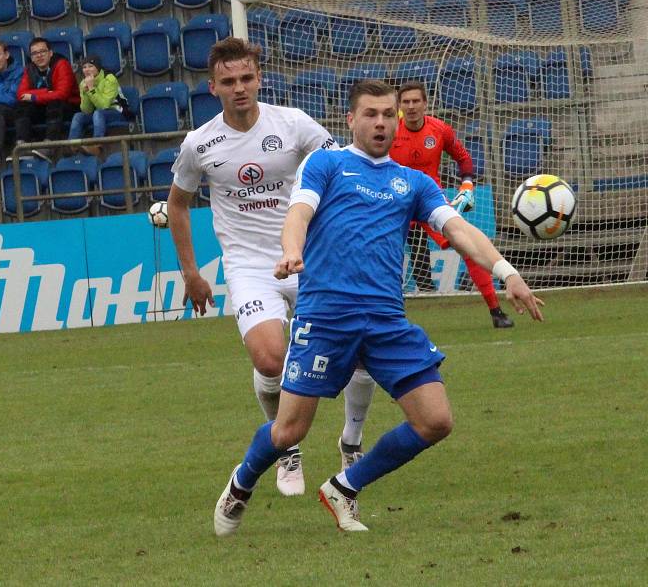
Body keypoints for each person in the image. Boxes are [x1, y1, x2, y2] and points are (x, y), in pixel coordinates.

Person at [213, 80, 544, 537]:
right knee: (289, 432)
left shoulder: (414, 182)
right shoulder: (326, 164)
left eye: (388, 114)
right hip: (327, 317)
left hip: (386, 320)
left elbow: (460, 230)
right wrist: (291, 250)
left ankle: (344, 487)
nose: (382, 122)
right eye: (371, 114)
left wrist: (507, 272)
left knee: (436, 420)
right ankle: (242, 482)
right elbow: (299, 215)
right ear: (351, 120)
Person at [168, 38, 376, 498]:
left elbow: (340, 167)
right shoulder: (199, 144)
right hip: (249, 265)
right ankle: (287, 445)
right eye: (228, 81)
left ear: (259, 78)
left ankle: (351, 441)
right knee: (269, 358)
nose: (239, 88)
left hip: (308, 256)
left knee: (362, 350)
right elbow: (178, 206)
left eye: (246, 78)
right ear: (213, 86)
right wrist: (191, 273)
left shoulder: (294, 123)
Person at [390, 81, 514, 329]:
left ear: (425, 103)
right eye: (406, 102)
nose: (412, 106)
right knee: (381, 255)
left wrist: (466, 184)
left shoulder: (439, 130)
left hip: (429, 201)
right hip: (395, 201)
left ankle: (496, 310)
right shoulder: (390, 131)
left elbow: (463, 157)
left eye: (416, 101)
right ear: (400, 107)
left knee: (466, 246)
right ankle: (387, 318)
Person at [14, 37, 80, 161]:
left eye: (42, 52)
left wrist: (34, 96)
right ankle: (22, 146)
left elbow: (62, 94)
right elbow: (21, 94)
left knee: (54, 103)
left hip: (68, 106)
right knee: (22, 105)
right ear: (31, 57)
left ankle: (49, 146)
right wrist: (46, 92)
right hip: (44, 107)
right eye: (35, 53)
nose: (39, 56)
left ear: (50, 53)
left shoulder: (62, 64)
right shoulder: (29, 69)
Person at [68, 55, 133, 157]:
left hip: (117, 112)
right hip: (97, 114)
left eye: (90, 66)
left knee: (98, 113)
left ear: (97, 67)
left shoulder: (109, 78)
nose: (87, 70)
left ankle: (97, 146)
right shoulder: (83, 83)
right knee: (78, 116)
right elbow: (86, 110)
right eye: (84, 67)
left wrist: (91, 88)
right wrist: (86, 92)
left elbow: (104, 105)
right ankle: (72, 146)